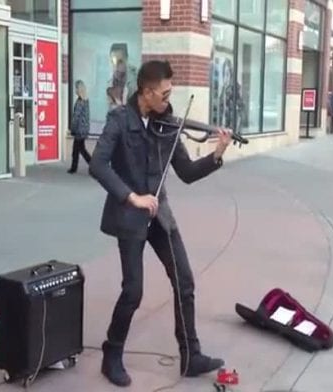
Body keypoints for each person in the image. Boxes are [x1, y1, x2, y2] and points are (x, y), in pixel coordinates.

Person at [89, 60, 232, 387]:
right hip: (130, 214)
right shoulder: (120, 121)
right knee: (133, 291)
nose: (169, 100)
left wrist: (217, 154)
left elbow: (187, 173)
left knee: (185, 280)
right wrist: (132, 197)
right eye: (164, 94)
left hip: (159, 215)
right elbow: (98, 165)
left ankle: (190, 355)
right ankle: (112, 354)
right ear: (146, 92)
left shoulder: (166, 125)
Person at [68, 80, 91, 174]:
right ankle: (75, 167)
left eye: (76, 88)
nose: (75, 90)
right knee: (81, 149)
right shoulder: (86, 101)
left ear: (79, 89)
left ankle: (74, 168)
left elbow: (76, 117)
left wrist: (72, 128)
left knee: (77, 150)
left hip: (79, 129)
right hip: (84, 129)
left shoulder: (80, 102)